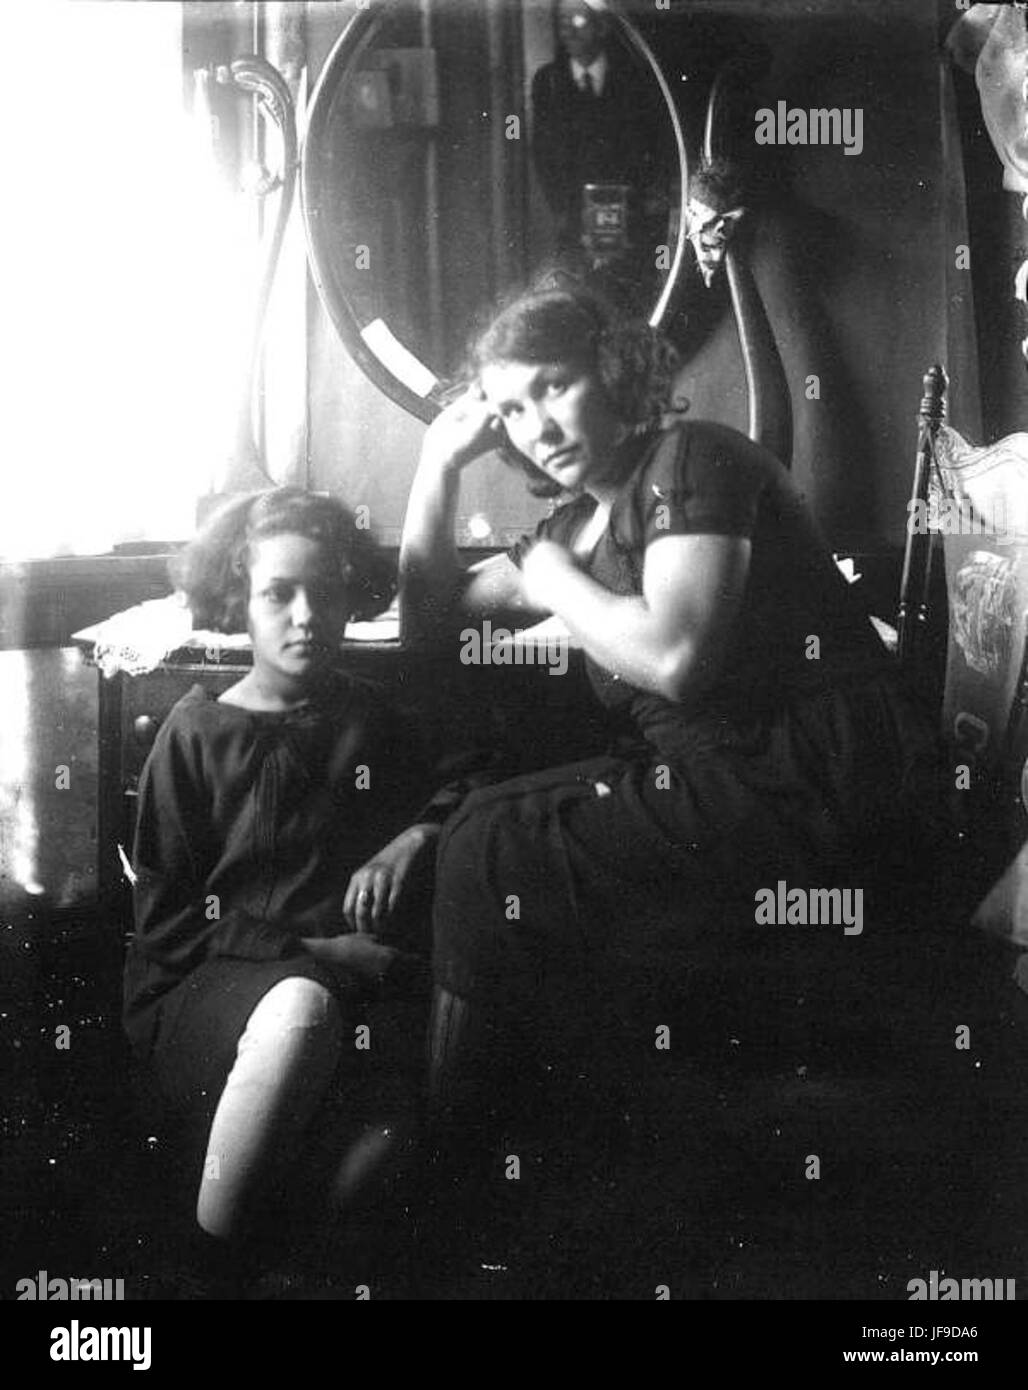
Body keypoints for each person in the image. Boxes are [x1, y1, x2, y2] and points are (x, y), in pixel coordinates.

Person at [399, 282, 946, 1143]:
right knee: (484, 824)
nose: (536, 424)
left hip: (815, 778)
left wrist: (548, 580)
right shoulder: (579, 521)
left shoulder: (692, 460)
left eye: (553, 385)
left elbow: (675, 660)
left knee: (485, 848)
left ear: (614, 373)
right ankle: (519, 1139)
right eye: (510, 407)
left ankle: (458, 1153)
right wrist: (436, 465)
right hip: (725, 776)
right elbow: (430, 622)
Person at [122, 488, 447, 1288]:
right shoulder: (195, 735)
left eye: (325, 592)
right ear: (239, 600)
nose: (307, 615)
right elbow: (169, 923)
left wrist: (417, 833)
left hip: (357, 988)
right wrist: (313, 949)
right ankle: (208, 1268)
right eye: (279, 593)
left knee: (386, 1162)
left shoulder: (374, 719)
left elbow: (472, 779)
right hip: (213, 987)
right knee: (303, 1008)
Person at [530, 0, 671, 253]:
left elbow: (656, 142)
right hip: (575, 219)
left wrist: (649, 196)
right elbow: (543, 152)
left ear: (602, 27)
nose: (568, 32)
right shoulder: (548, 82)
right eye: (563, 23)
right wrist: (561, 209)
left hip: (633, 214)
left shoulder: (635, 78)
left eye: (578, 21)